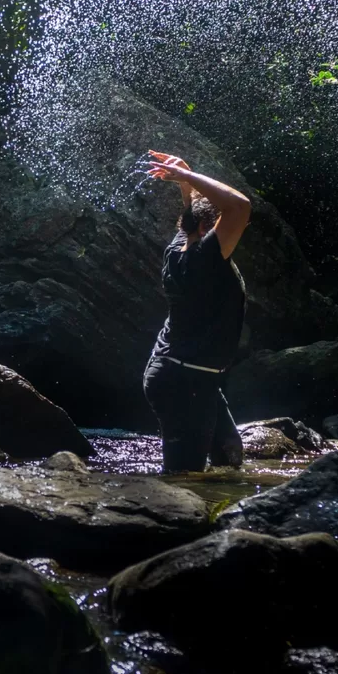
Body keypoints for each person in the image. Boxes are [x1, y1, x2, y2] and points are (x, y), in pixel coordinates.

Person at [142, 150, 253, 473]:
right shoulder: (205, 257)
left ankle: (221, 516)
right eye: (225, 228)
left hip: (185, 375)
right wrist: (189, 178)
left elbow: (192, 214)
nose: (234, 233)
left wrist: (184, 178)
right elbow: (240, 206)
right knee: (184, 477)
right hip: (185, 380)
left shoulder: (179, 247)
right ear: (208, 228)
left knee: (229, 454)